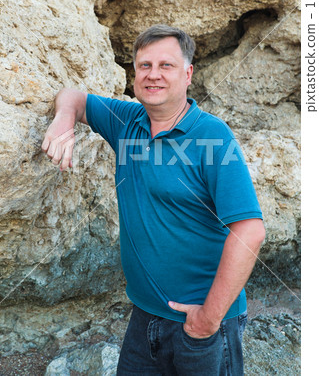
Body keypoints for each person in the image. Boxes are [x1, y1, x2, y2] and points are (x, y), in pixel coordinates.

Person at [42, 24, 265, 375]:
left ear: (188, 73)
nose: (153, 75)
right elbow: (74, 96)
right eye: (144, 66)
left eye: (166, 66)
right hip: (144, 318)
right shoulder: (126, 122)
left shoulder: (212, 135)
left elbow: (250, 231)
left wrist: (207, 319)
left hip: (203, 326)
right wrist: (63, 121)